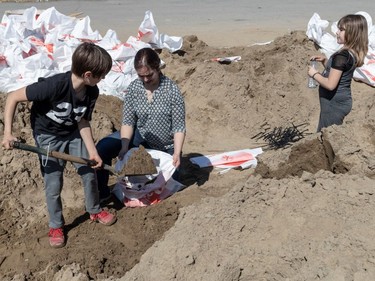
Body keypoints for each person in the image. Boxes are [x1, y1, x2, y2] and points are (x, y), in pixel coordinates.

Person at [1, 42, 117, 248]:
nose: (104, 78)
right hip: (47, 137)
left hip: (73, 134)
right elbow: (12, 97)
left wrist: (93, 152)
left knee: (89, 173)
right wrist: (8, 133)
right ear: (88, 75)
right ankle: (56, 225)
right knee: (53, 184)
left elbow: (82, 121)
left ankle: (94, 210)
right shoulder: (53, 86)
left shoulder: (92, 92)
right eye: (101, 75)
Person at [96, 47, 186, 201]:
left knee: (169, 187)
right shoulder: (134, 88)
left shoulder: (172, 91)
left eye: (149, 75)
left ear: (157, 68)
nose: (145, 79)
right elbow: (128, 122)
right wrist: (124, 147)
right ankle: (102, 194)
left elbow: (179, 127)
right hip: (140, 138)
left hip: (166, 146)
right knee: (103, 147)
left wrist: (177, 153)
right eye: (141, 76)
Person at [308, 14, 368, 132]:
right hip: (340, 101)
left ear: (352, 33)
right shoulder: (351, 53)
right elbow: (341, 73)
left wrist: (314, 74)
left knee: (326, 135)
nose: (336, 32)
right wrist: (326, 62)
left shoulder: (342, 56)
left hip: (334, 104)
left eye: (341, 30)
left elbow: (331, 85)